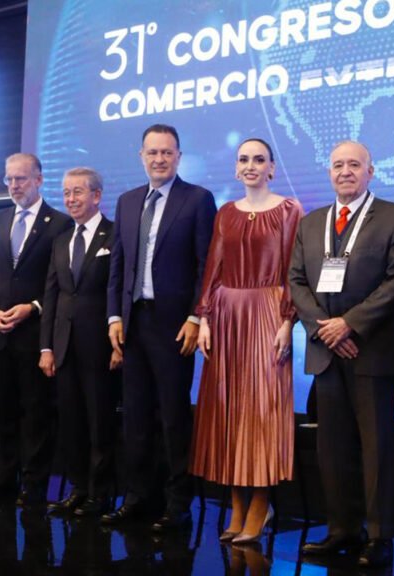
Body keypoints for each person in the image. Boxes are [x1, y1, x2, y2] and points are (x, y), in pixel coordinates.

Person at [288, 140, 394, 568]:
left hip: (372, 349)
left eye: (354, 165)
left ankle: (379, 536)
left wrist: (350, 324)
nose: (345, 171)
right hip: (327, 351)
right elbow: (296, 281)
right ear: (329, 172)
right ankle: (342, 529)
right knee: (332, 447)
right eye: (338, 165)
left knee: (376, 447)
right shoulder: (311, 223)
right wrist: (324, 329)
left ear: (370, 171)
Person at [103, 124, 217, 530]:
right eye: (152, 152)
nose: (159, 159)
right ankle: (138, 497)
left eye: (167, 152)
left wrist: (196, 316)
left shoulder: (198, 199)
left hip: (175, 326)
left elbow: (206, 265)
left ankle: (176, 504)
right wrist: (114, 317)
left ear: (178, 156)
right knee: (135, 417)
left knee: (173, 418)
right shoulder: (128, 201)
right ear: (141, 156)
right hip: (133, 322)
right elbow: (118, 265)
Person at [190, 138, 302, 544]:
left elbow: (293, 269)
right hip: (226, 316)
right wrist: (204, 318)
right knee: (228, 410)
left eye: (259, 159)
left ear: (272, 167)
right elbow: (214, 267)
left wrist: (288, 320)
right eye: (243, 159)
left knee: (262, 412)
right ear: (236, 168)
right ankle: (237, 505)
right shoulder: (226, 213)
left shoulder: (289, 210)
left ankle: (261, 504)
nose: (250, 165)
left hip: (267, 312)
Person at [0, 153, 71, 508]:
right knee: (3, 411)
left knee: (36, 412)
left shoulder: (59, 223)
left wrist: (34, 307)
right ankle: (3, 478)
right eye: (9, 179)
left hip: (35, 335)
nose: (14, 185)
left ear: (39, 179)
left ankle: (34, 485)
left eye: (21, 179)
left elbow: (60, 281)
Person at [40, 167, 120, 517]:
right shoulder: (61, 240)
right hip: (64, 346)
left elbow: (119, 290)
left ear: (97, 196)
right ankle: (78, 488)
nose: (70, 199)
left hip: (100, 345)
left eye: (78, 192)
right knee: (71, 421)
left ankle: (99, 494)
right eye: (66, 193)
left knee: (100, 422)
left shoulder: (115, 235)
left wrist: (119, 344)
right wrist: (46, 347)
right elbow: (52, 295)